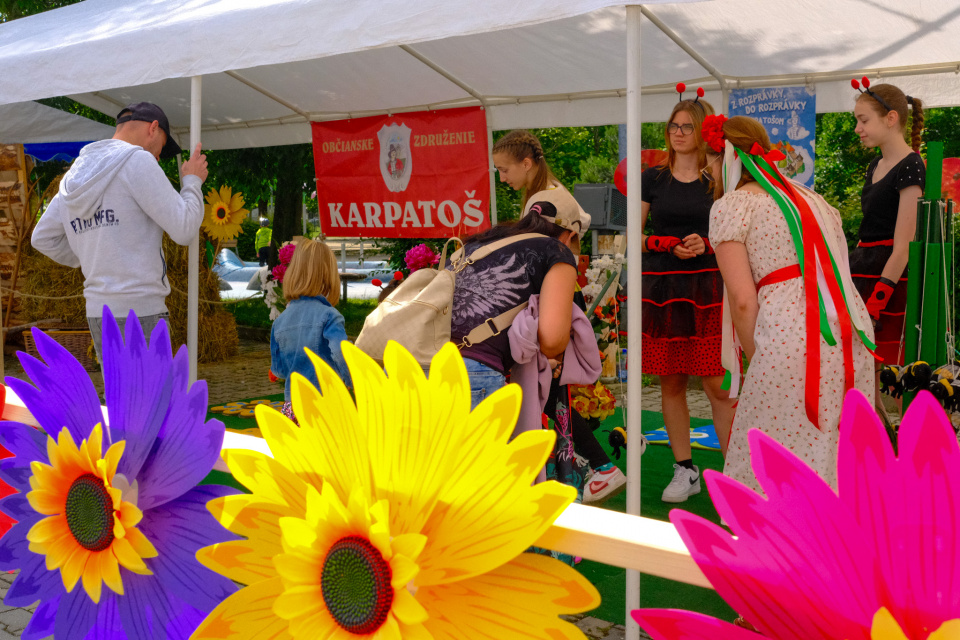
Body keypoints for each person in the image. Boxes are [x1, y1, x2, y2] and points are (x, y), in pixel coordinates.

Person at [704, 114, 876, 493]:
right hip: (849, 332)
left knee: (779, 449)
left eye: (710, 165)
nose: (709, 173)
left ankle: (779, 542)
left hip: (788, 336)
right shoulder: (814, 200)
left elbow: (742, 300)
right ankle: (843, 538)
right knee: (835, 446)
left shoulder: (732, 206)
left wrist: (755, 355)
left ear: (726, 158)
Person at [32, 102, 208, 356]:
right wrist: (192, 181)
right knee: (153, 396)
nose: (158, 157)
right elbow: (184, 229)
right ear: (153, 128)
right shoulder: (138, 161)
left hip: (98, 313)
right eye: (162, 147)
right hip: (141, 309)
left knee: (120, 396)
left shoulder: (75, 174)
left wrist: (94, 255)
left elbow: (43, 238)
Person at [640, 91, 735, 503]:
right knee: (672, 379)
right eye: (673, 126)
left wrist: (708, 243)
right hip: (664, 289)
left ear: (702, 131)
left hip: (711, 289)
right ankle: (685, 470)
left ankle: (736, 474)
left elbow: (737, 232)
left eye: (687, 127)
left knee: (717, 384)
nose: (678, 133)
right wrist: (662, 243)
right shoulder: (652, 178)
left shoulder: (722, 178)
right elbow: (631, 237)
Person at [450, 200, 585, 409]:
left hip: (414, 364)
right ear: (571, 235)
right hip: (472, 374)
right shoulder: (556, 249)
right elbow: (552, 340)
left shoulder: (477, 244)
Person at [849, 81, 925, 394]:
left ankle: (905, 440)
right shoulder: (875, 165)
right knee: (862, 372)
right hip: (862, 270)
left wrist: (878, 297)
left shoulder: (911, 165)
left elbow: (904, 244)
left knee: (896, 376)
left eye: (863, 120)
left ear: (891, 118)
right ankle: (877, 437)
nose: (857, 129)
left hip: (889, 279)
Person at [270, 239, 351, 422]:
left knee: (296, 449)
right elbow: (341, 353)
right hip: (324, 401)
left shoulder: (280, 321)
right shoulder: (330, 315)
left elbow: (280, 370)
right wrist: (350, 379)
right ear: (328, 276)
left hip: (293, 406)